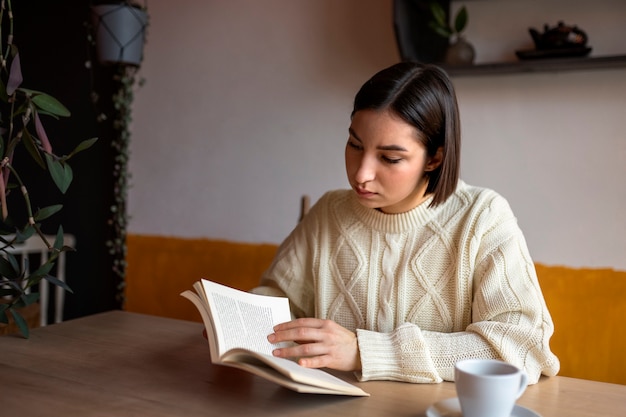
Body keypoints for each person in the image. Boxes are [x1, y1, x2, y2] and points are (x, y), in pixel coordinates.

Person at [252, 62, 560, 384]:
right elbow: (277, 299)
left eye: (390, 158)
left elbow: (521, 348)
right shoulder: (329, 212)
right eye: (355, 145)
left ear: (434, 158)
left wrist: (364, 352)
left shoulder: (483, 218)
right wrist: (243, 322)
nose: (361, 174)